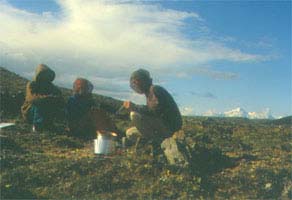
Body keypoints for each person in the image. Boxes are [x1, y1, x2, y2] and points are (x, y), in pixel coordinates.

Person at [123, 69, 182, 154]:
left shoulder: (155, 90)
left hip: (169, 128)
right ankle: (149, 143)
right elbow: (151, 109)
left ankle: (159, 143)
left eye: (135, 83)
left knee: (134, 115)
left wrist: (135, 107)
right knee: (130, 133)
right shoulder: (149, 93)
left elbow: (155, 112)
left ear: (143, 81)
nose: (135, 86)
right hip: (162, 126)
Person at [21, 64, 64, 132]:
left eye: (47, 75)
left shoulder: (51, 87)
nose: (46, 77)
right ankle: (37, 125)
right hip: (30, 111)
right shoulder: (32, 84)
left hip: (45, 111)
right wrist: (47, 98)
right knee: (40, 104)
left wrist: (52, 99)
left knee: (50, 104)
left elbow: (59, 97)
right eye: (44, 74)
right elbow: (32, 99)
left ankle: (48, 124)